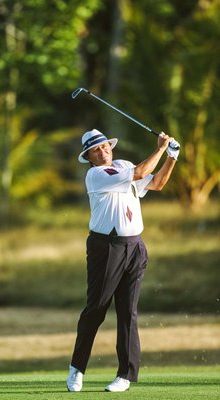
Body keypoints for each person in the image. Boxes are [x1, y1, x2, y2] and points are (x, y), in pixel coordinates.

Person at [66, 128, 180, 392]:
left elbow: (156, 183)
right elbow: (140, 173)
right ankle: (77, 368)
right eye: (96, 150)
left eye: (105, 146)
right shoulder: (96, 175)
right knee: (96, 309)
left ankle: (125, 376)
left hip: (134, 246)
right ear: (89, 156)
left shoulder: (123, 165)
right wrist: (161, 148)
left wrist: (172, 157)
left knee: (129, 312)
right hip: (106, 248)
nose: (102, 151)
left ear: (110, 147)